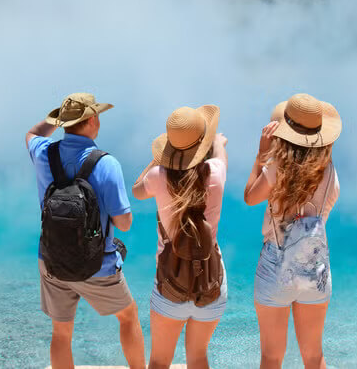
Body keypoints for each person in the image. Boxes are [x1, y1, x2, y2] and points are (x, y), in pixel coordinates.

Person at [25, 92, 145, 369]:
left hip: (52, 259)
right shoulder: (106, 163)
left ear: (64, 122)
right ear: (92, 120)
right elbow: (124, 223)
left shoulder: (45, 153)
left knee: (62, 332)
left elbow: (31, 133)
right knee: (128, 316)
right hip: (97, 265)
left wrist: (55, 120)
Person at [244, 93, 342, 369]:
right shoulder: (331, 173)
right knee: (314, 356)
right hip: (314, 266)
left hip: (276, 264)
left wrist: (261, 157)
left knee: (272, 358)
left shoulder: (277, 169)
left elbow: (250, 197)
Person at [131, 106, 229, 369]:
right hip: (210, 281)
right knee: (198, 357)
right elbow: (220, 155)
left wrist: (157, 159)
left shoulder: (158, 177)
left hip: (169, 283)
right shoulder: (216, 174)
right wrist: (218, 142)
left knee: (160, 361)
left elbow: (136, 190)